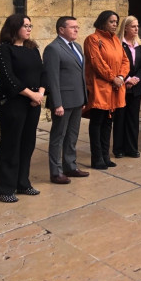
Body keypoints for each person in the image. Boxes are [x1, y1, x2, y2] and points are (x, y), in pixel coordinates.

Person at [0, 14, 43, 203]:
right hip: (13, 103)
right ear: (13, 28)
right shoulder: (3, 50)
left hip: (33, 103)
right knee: (10, 144)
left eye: (30, 25)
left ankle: (23, 182)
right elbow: (8, 78)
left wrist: (41, 93)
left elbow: (42, 73)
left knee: (28, 143)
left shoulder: (32, 49)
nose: (29, 29)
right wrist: (31, 94)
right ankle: (5, 187)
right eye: (25, 26)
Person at [43, 15, 89, 184]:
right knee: (58, 136)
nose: (76, 29)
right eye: (72, 27)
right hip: (63, 101)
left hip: (77, 99)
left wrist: (84, 96)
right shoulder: (53, 48)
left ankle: (70, 165)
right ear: (61, 29)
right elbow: (52, 78)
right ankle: (56, 171)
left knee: (72, 135)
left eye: (77, 27)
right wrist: (57, 103)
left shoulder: (76, 46)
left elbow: (80, 74)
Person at [84, 10, 130, 170]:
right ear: (103, 22)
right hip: (100, 87)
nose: (115, 24)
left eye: (116, 21)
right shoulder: (93, 39)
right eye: (111, 21)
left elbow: (125, 60)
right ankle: (97, 158)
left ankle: (105, 155)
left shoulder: (116, 40)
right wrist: (113, 78)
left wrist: (122, 77)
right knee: (97, 122)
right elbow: (97, 63)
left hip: (115, 87)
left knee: (108, 122)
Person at [114, 15, 141, 158]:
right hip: (122, 85)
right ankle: (119, 148)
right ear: (125, 27)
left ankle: (132, 147)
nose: (136, 29)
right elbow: (116, 64)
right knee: (120, 118)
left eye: (137, 26)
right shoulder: (118, 43)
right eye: (133, 26)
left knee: (133, 118)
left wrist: (136, 78)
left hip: (136, 86)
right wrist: (126, 79)